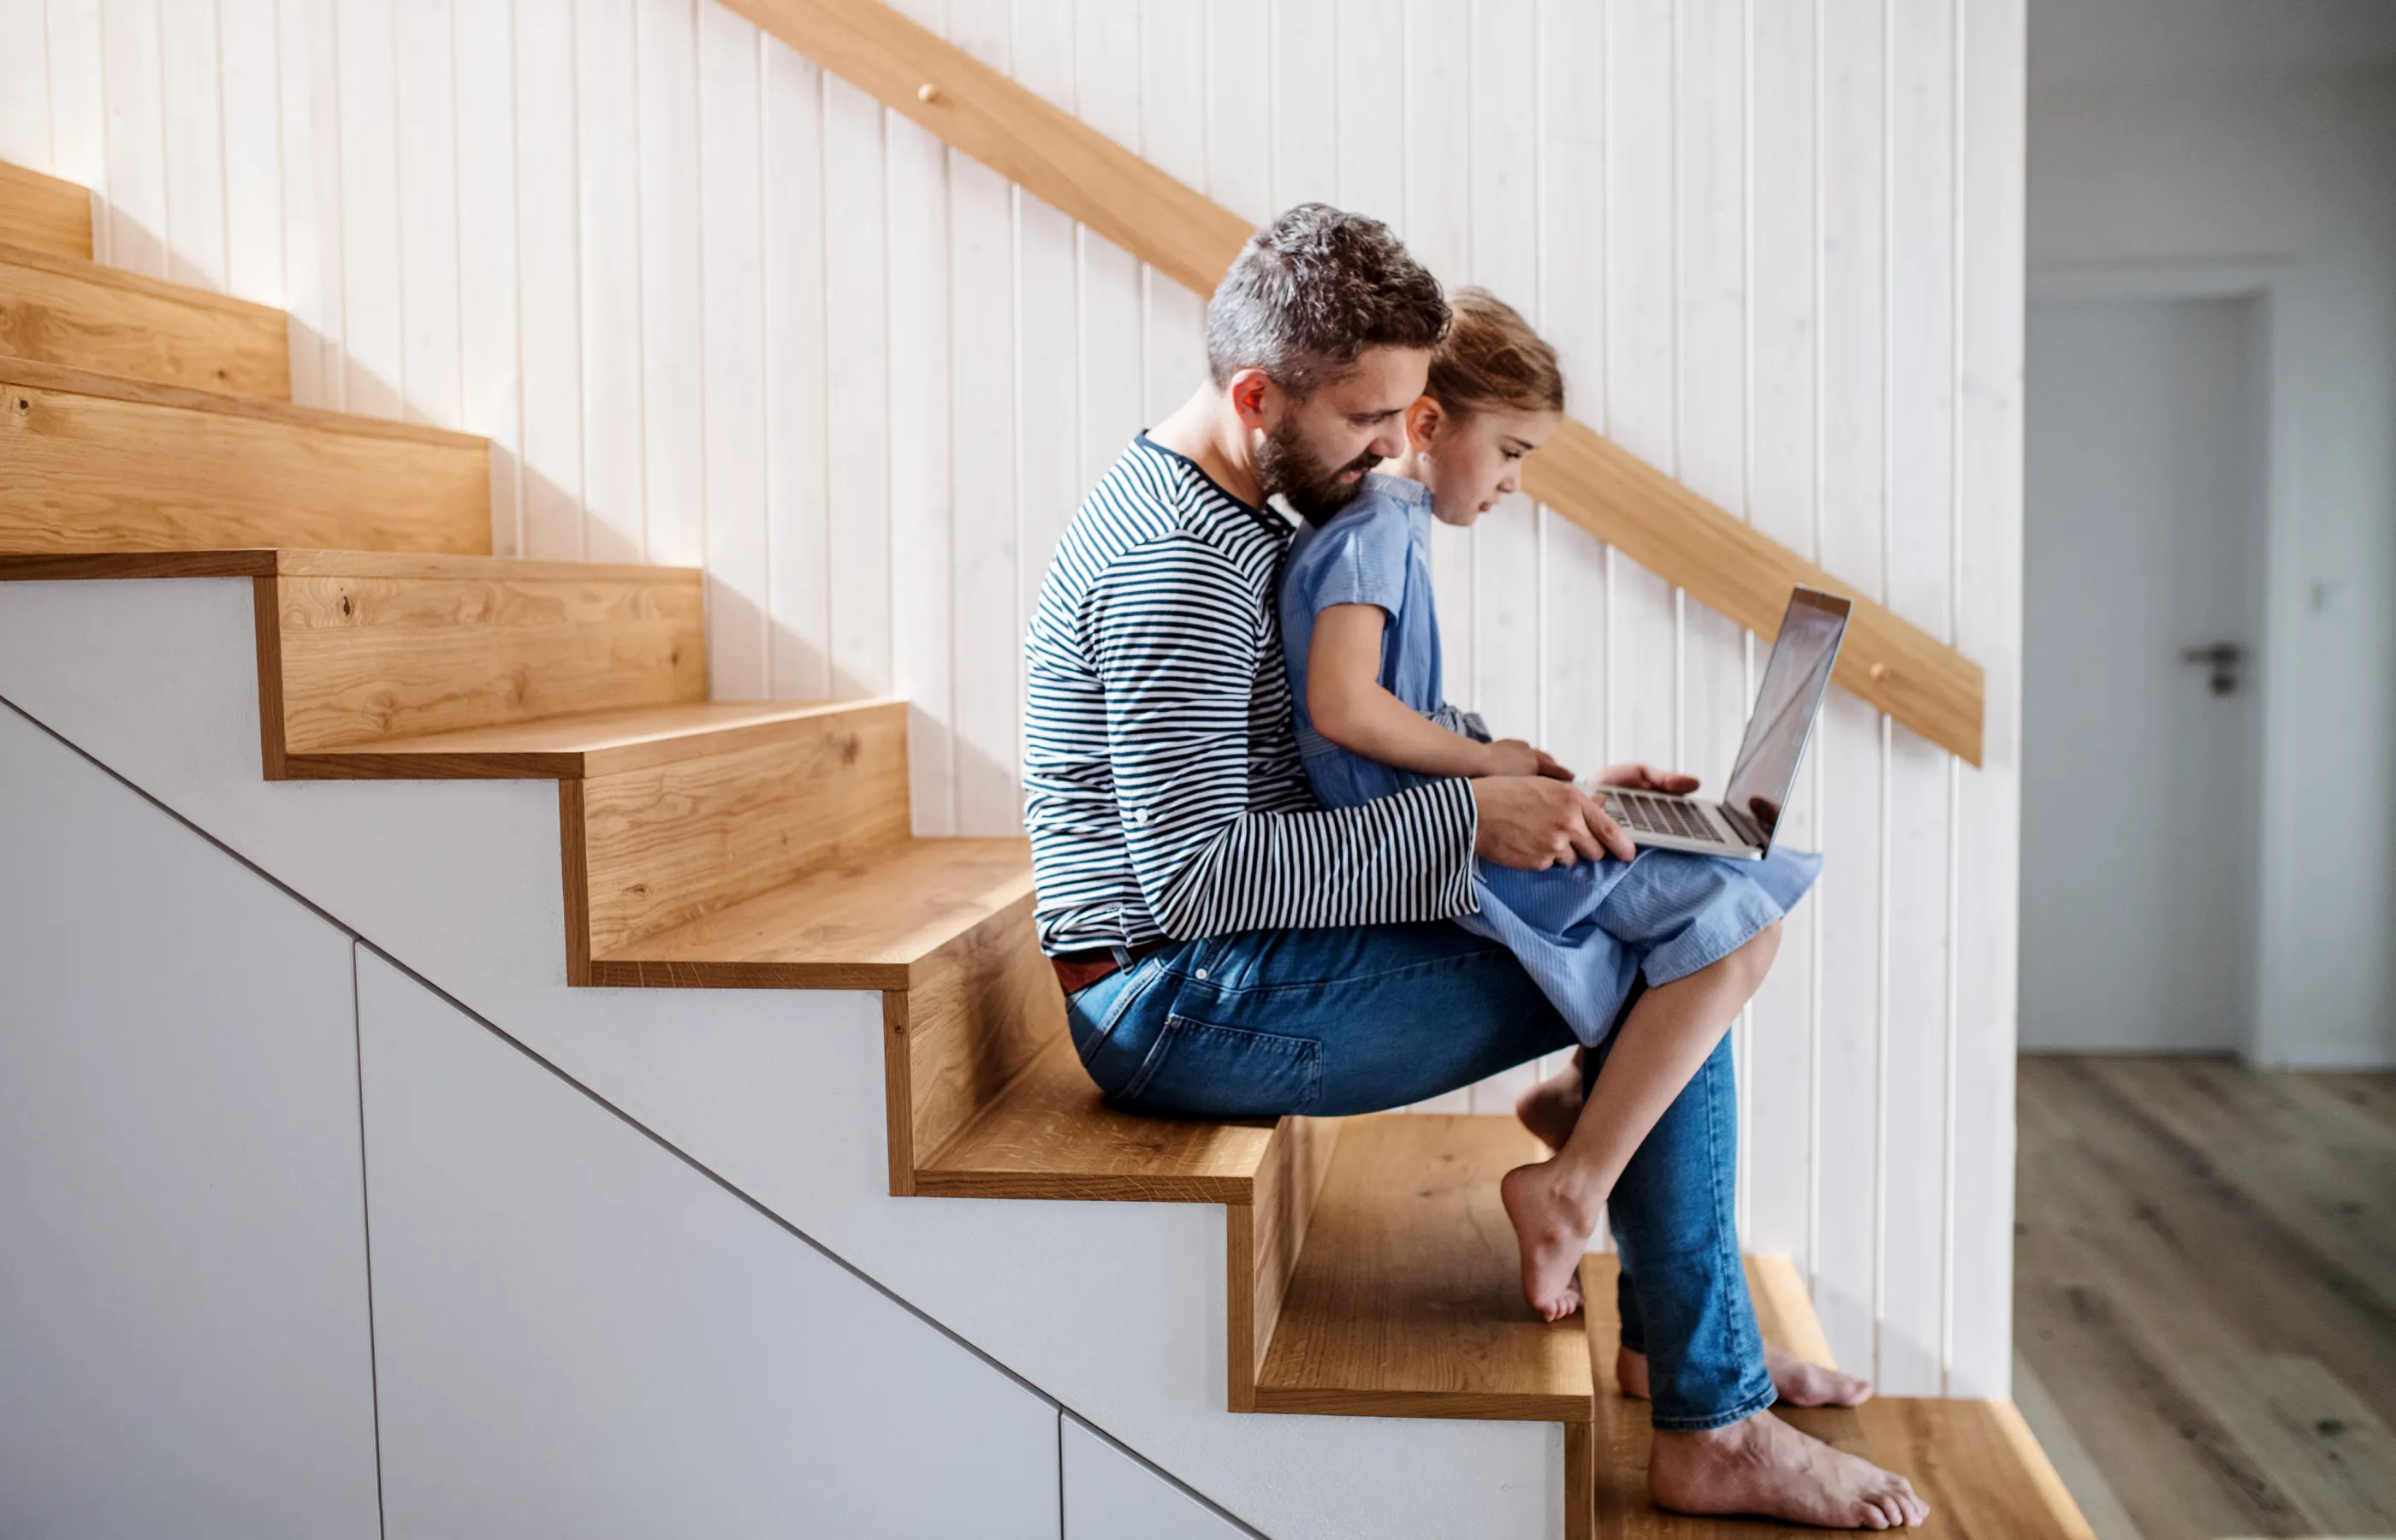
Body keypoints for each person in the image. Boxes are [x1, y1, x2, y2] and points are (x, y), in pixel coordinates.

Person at [1023, 204, 1927, 1530]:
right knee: (1663, 948)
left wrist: (1544, 801)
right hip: (1172, 999)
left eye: (1405, 413)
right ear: (1258, 392)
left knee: (1659, 909)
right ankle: (1710, 1407)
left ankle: (1681, 1346)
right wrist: (1475, 826)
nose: (1398, 447)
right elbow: (1194, 883)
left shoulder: (1243, 501)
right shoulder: (1175, 566)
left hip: (1237, 955)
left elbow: (1320, 780)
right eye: (1367, 421)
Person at [1275, 287, 1822, 1328]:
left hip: (1446, 816)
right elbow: (1343, 706)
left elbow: (1382, 705)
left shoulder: (1384, 525)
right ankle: (1570, 1183)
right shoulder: (1374, 532)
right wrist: (1490, 765)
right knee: (1735, 928)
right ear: (1429, 426)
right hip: (1429, 844)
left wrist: (1534, 778)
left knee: (1718, 899)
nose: (1517, 483)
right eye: (1514, 451)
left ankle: (1580, 1106)